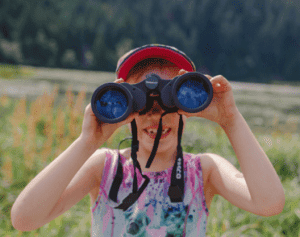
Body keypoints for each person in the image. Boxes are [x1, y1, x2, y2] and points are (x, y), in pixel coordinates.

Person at [11, 44, 285, 236]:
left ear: (188, 108)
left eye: (172, 99)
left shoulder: (205, 171)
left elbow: (269, 203)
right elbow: (24, 219)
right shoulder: (104, 167)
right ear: (124, 105)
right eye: (140, 102)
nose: (156, 116)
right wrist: (87, 142)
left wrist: (231, 119)